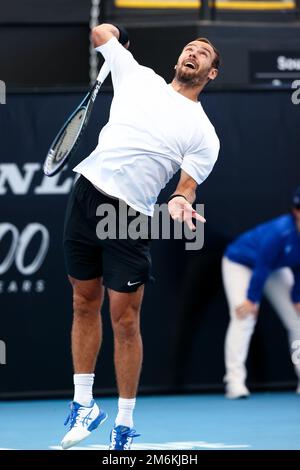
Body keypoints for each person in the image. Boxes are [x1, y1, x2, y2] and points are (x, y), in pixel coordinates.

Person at [61, 23, 220, 450]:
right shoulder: (137, 76)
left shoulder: (204, 134)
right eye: (189, 47)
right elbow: (99, 33)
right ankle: (84, 405)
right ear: (177, 60)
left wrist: (181, 200)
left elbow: (187, 184)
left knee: (125, 319)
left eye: (203, 52)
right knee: (82, 301)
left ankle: (125, 423)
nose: (193, 53)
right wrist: (115, 31)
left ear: (211, 73)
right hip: (86, 195)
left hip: (129, 216)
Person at [222, 187, 300, 399]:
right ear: (295, 211)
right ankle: (234, 382)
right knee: (244, 316)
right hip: (241, 263)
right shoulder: (279, 232)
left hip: (275, 268)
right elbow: (261, 266)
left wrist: (297, 298)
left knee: (297, 320)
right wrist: (251, 300)